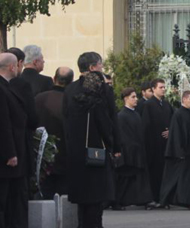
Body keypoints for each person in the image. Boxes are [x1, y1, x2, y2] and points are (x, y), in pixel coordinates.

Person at [63, 69, 119, 228]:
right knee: (95, 200)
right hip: (95, 155)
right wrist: (112, 145)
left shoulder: (74, 102)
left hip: (76, 155)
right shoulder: (97, 104)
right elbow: (106, 129)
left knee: (82, 200)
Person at [160, 91, 190, 210]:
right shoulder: (178, 114)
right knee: (176, 177)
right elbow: (176, 134)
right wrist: (179, 151)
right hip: (183, 152)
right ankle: (166, 200)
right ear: (184, 99)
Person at [35, 66, 74, 199]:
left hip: (43, 156)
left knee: (45, 195)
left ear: (54, 79)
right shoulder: (73, 101)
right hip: (66, 155)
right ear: (71, 82)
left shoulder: (40, 98)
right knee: (64, 196)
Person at [0, 52, 29, 228]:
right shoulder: (2, 89)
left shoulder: (7, 87)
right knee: (5, 199)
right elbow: (4, 123)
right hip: (7, 156)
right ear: (12, 67)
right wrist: (10, 153)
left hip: (13, 151)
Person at [114, 88, 153, 210]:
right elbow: (123, 136)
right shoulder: (121, 116)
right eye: (133, 97)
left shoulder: (136, 114)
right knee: (126, 178)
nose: (136, 99)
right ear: (126, 98)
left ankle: (145, 200)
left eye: (136, 97)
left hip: (138, 151)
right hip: (129, 152)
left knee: (140, 177)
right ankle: (117, 202)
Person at [141, 78, 174, 206]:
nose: (163, 89)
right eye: (160, 87)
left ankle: (164, 198)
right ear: (153, 89)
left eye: (164, 87)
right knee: (154, 173)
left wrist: (170, 131)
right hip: (153, 145)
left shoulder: (166, 104)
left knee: (164, 172)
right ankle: (153, 197)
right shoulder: (148, 105)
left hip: (165, 145)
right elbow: (146, 126)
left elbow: (173, 120)